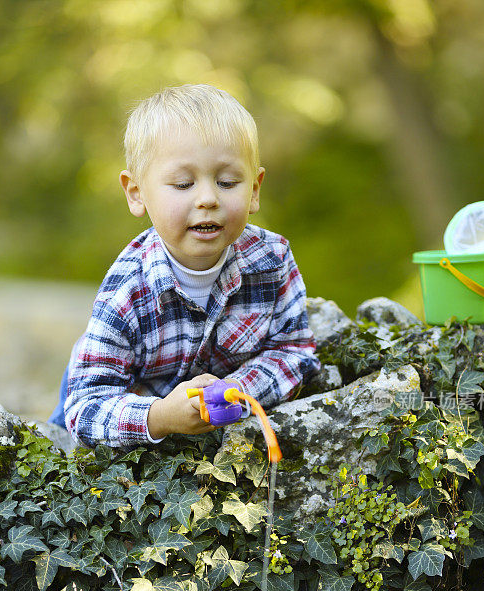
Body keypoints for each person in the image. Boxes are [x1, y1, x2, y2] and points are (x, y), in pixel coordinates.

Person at [49, 84, 320, 448]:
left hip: (211, 404)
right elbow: (85, 407)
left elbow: (293, 351)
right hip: (125, 401)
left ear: (254, 189)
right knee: (57, 452)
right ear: (137, 193)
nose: (208, 198)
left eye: (227, 182)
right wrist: (160, 416)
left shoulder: (271, 260)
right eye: (182, 184)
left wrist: (236, 390)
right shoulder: (128, 290)